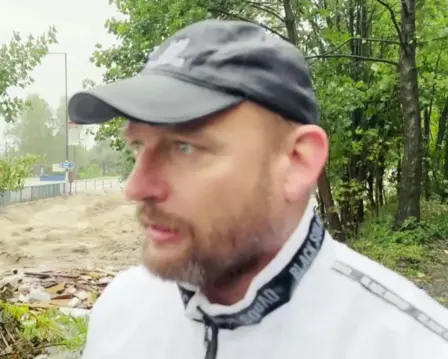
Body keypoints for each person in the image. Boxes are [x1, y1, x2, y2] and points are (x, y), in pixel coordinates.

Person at [67, 19, 448, 359]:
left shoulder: (409, 345)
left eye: (184, 147)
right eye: (137, 146)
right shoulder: (122, 311)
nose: (135, 187)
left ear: (297, 162)